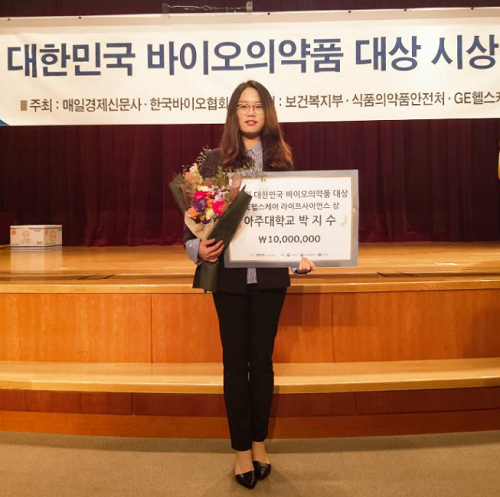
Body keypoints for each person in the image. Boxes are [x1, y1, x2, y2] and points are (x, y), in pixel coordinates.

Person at [184, 80, 315, 490]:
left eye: (257, 106)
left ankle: (259, 443)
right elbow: (193, 221)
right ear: (234, 113)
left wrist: (303, 256)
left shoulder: (283, 162)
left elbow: (296, 220)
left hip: (271, 278)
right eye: (243, 105)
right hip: (229, 278)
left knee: (262, 363)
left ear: (267, 112)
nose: (251, 112)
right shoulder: (213, 162)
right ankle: (241, 449)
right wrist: (198, 249)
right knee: (234, 363)